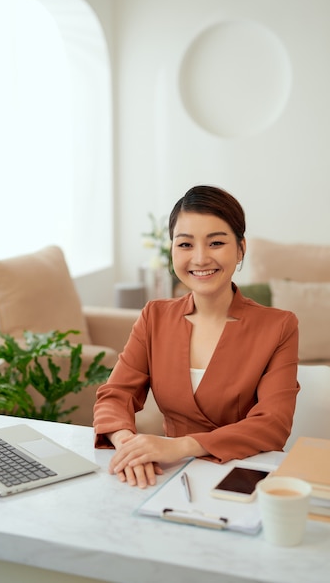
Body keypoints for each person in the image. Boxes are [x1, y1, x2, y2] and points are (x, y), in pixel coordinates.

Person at [94, 185, 299, 488]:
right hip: (169, 474)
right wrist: (127, 443)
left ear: (241, 248)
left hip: (244, 474)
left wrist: (181, 446)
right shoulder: (155, 317)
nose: (200, 258)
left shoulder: (279, 326)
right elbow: (116, 395)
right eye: (186, 245)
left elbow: (272, 425)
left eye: (216, 242)